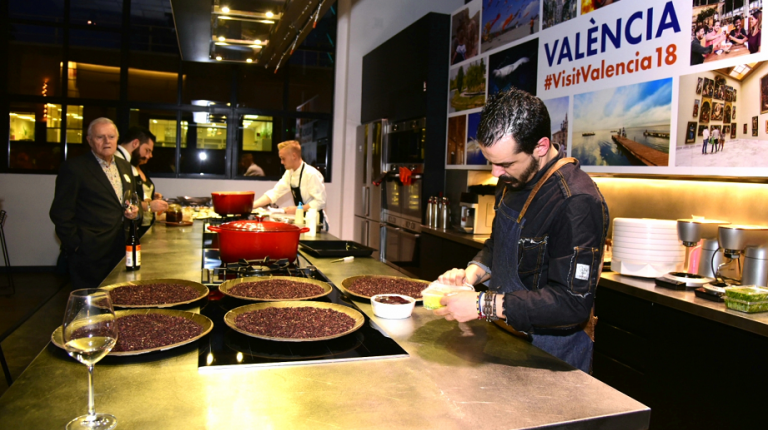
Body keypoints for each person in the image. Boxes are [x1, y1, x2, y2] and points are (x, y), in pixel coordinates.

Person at [433, 89, 608, 373]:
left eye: (505, 163)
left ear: (540, 146)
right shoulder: (515, 178)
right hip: (505, 338)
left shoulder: (577, 201)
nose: (495, 173)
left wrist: (482, 304)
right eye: (492, 161)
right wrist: (471, 276)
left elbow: (572, 303)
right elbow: (499, 244)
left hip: (550, 356)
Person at [50, 118, 139, 289]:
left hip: (121, 248)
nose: (107, 142)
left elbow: (128, 199)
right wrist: (76, 246)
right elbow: (60, 213)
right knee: (92, 307)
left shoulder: (125, 166)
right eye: (100, 137)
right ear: (89, 140)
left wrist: (132, 211)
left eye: (111, 137)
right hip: (90, 253)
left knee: (120, 300)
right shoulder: (75, 168)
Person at [252, 140, 327, 218]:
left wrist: (298, 209)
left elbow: (321, 202)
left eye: (283, 158)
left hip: (316, 221)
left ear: (294, 156)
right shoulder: (289, 172)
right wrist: (252, 205)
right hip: (302, 218)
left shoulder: (311, 174)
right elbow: (275, 192)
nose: (281, 162)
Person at [115, 126, 168, 236]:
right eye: (147, 150)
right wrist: (147, 206)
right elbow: (118, 200)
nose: (150, 156)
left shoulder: (131, 164)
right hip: (119, 230)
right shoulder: (118, 161)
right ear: (135, 143)